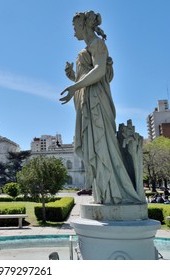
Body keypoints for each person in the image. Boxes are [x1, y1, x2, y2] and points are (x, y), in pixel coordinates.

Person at [60, 11, 146, 205]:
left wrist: (75, 86)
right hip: (88, 101)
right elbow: (87, 78)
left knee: (103, 144)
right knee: (96, 146)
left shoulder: (97, 44)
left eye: (75, 28)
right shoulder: (88, 48)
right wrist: (73, 77)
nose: (74, 33)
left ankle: (117, 192)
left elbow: (99, 71)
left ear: (84, 25)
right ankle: (105, 192)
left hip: (98, 101)